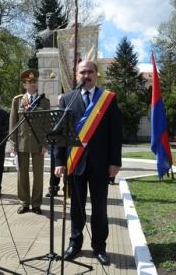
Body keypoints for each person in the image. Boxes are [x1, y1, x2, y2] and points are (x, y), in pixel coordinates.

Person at [54, 60, 123, 266]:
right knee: (76, 207)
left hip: (101, 165)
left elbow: (116, 133)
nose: (87, 75)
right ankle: (75, 244)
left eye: (90, 71)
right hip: (75, 163)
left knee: (100, 208)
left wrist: (115, 162)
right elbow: (60, 133)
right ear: (76, 75)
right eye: (82, 72)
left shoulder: (108, 99)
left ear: (96, 74)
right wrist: (59, 160)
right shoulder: (67, 98)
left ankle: (99, 247)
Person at [9, 69, 50, 215]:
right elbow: (13, 122)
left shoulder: (44, 101)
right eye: (29, 82)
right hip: (22, 143)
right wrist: (13, 143)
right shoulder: (17, 101)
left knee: (38, 175)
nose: (32, 84)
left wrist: (45, 144)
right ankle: (24, 203)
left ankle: (37, 204)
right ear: (24, 84)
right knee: (22, 175)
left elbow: (47, 125)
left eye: (34, 81)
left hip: (39, 143)